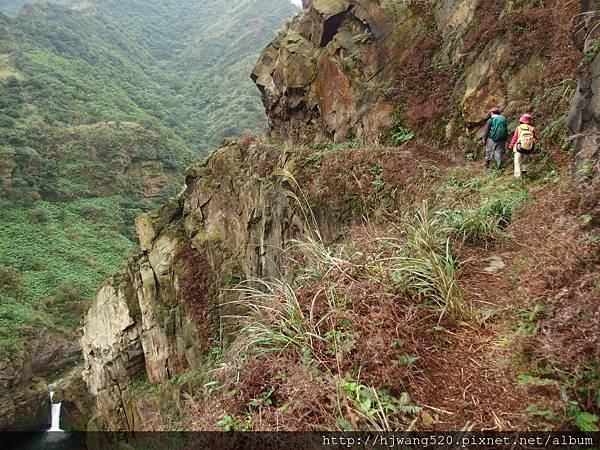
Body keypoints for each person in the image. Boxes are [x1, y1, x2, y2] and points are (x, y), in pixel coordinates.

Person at [509, 113, 538, 179]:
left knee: (518, 162)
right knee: (524, 161)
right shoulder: (532, 129)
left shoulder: (519, 128)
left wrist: (511, 146)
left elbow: (515, 138)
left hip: (518, 148)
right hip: (528, 148)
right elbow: (535, 138)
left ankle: (518, 177)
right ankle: (524, 174)